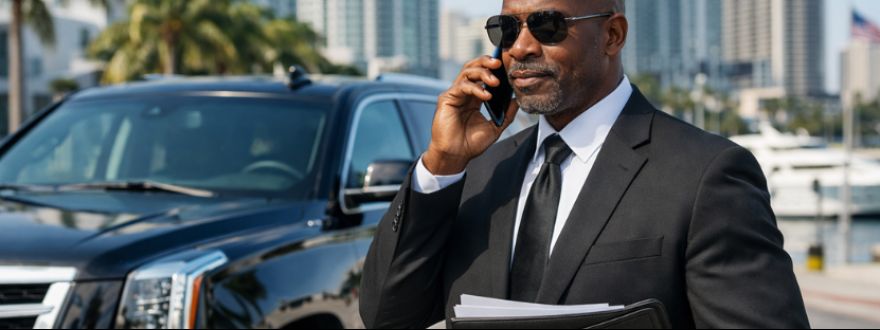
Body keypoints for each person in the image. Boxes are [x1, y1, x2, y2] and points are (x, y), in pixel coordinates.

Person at [359, 0, 810, 328]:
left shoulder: (705, 175)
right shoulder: (479, 171)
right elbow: (387, 314)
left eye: (548, 25)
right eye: (507, 29)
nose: (520, 48)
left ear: (612, 35)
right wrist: (441, 163)